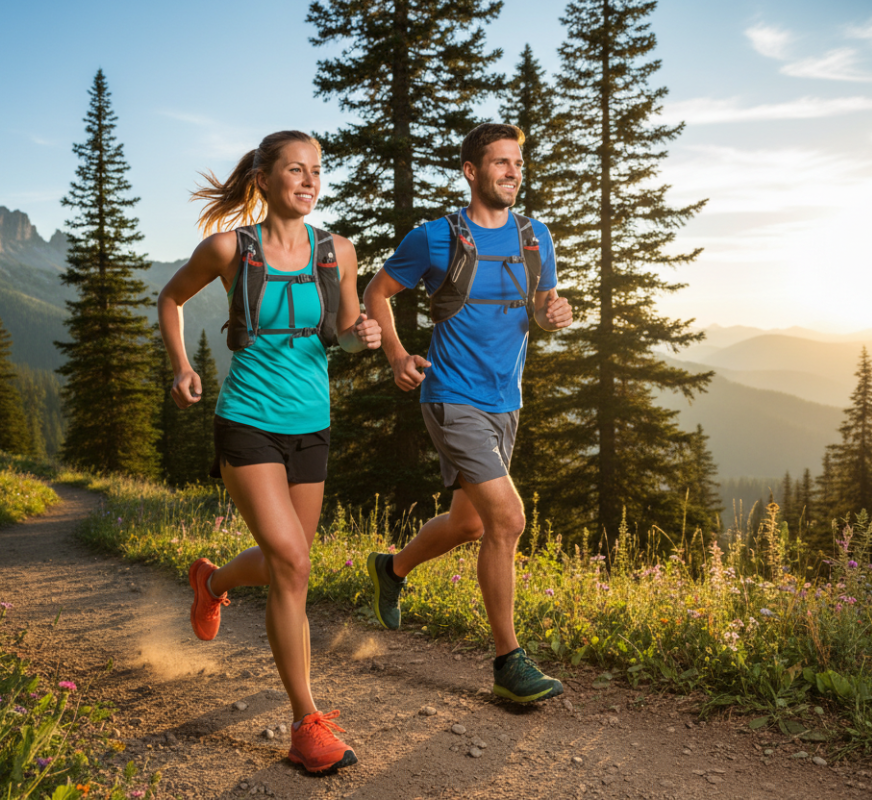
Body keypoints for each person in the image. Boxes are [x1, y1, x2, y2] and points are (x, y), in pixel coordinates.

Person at [157, 130, 380, 773]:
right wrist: (180, 368)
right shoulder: (230, 248)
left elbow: (340, 335)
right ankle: (306, 724)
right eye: (295, 170)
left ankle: (214, 581)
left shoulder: (337, 251)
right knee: (292, 561)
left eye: (316, 171)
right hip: (247, 420)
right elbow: (171, 297)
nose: (309, 182)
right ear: (263, 177)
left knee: (291, 563)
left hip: (312, 424)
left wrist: (362, 336)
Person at [361, 123, 573, 704]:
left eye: (518, 163)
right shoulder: (434, 238)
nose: (512, 172)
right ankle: (509, 662)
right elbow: (376, 294)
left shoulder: (536, 239)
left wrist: (553, 314)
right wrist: (399, 356)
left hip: (507, 400)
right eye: (500, 163)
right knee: (507, 520)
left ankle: (392, 569)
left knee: (470, 523)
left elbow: (540, 307)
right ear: (471, 171)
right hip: (451, 397)